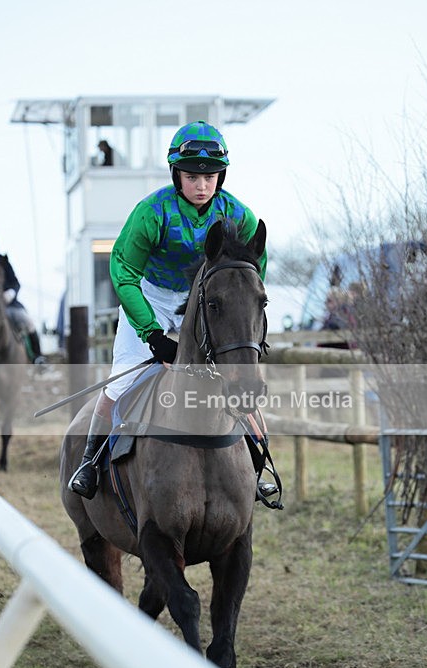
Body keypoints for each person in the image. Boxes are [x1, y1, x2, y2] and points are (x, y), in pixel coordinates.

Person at [70, 120, 276, 501]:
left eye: (210, 176)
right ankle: (90, 460)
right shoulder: (152, 212)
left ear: (221, 176)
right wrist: (151, 333)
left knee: (235, 378)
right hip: (149, 297)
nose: (201, 185)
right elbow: (123, 272)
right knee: (121, 380)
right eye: (192, 176)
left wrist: (244, 321)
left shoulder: (241, 216)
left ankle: (259, 463)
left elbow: (252, 275)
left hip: (205, 300)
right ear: (176, 174)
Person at [0, 230, 46, 364]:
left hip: (7, 306)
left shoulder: (2, 262)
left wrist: (10, 293)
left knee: (27, 321)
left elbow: (15, 283)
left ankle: (37, 357)